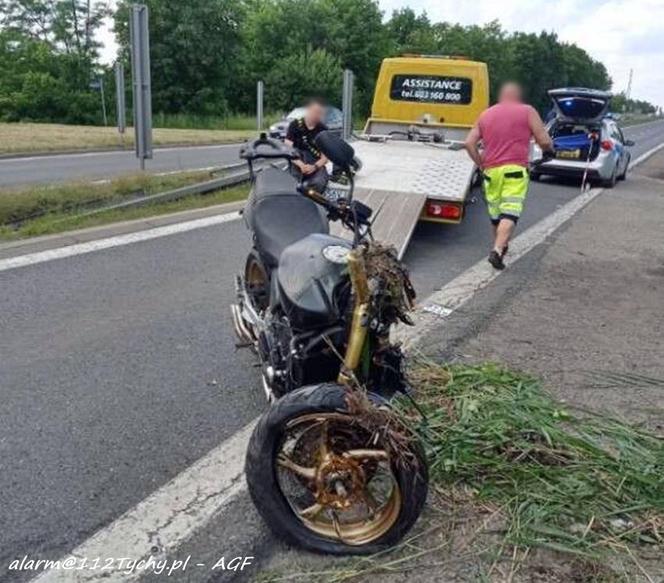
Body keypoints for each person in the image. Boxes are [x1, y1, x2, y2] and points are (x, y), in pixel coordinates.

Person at [465, 82, 554, 270]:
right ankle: (497, 250)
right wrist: (549, 150)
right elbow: (544, 140)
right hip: (514, 170)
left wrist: (480, 162)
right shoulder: (527, 111)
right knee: (510, 212)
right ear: (517, 96)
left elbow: (469, 143)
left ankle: (500, 247)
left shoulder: (486, 114)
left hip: (490, 172)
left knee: (496, 216)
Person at [285, 98, 330, 192]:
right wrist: (301, 165)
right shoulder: (295, 125)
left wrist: (314, 167)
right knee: (290, 183)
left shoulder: (323, 130)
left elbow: (325, 158)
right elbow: (287, 149)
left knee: (319, 183)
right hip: (297, 161)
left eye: (320, 113)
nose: (317, 115)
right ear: (308, 110)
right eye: (315, 112)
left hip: (315, 163)